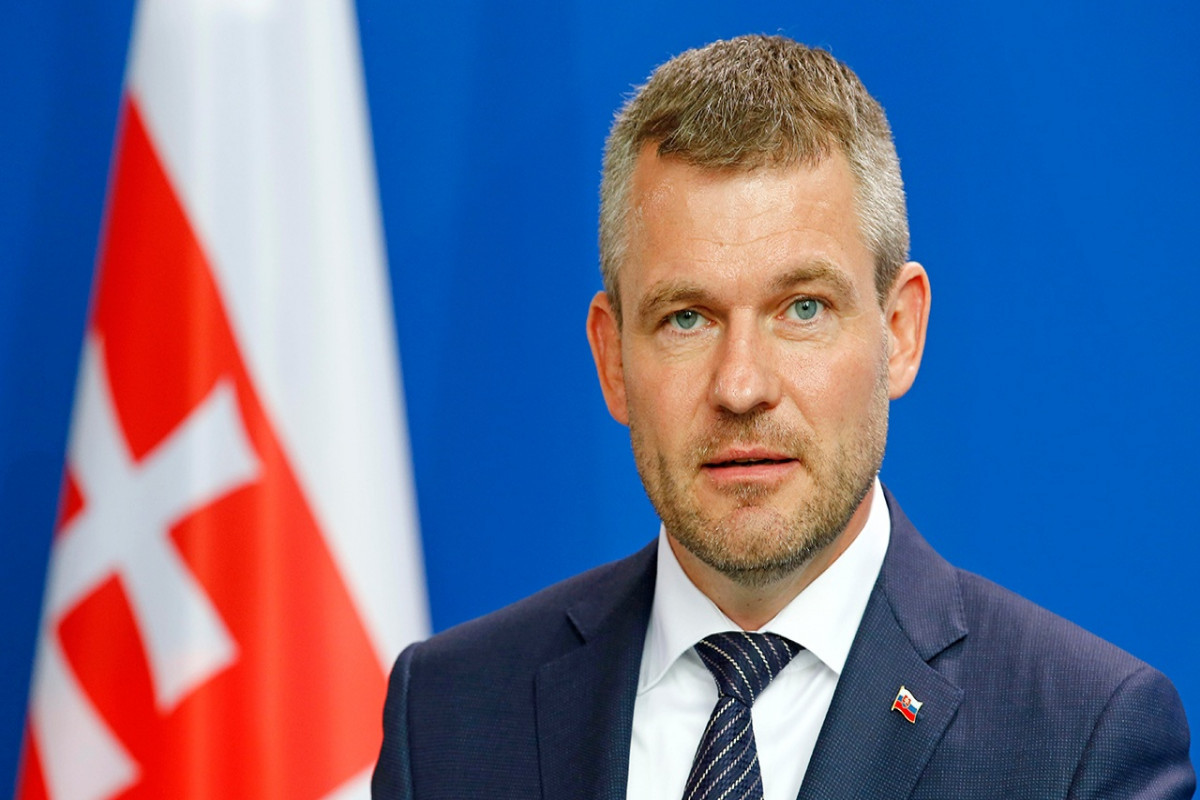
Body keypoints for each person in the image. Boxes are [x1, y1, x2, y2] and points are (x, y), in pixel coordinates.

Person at [372, 35, 1193, 800]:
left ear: (900, 332)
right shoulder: (444, 714)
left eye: (802, 308)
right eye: (686, 318)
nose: (741, 386)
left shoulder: (1081, 741)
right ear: (613, 359)